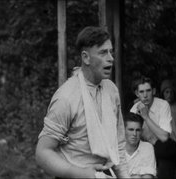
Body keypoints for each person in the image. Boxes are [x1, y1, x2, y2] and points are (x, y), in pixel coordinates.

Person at [35, 26, 130, 178]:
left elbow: (118, 143)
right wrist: (81, 174)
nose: (111, 58)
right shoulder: (66, 97)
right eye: (103, 52)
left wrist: (125, 176)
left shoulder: (111, 90)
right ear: (86, 58)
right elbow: (42, 153)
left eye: (111, 52)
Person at [130, 76, 176, 179]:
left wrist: (146, 117)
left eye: (148, 91)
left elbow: (164, 138)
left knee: (163, 148)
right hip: (147, 148)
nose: (145, 95)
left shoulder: (163, 105)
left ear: (154, 91)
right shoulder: (135, 108)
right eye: (141, 92)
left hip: (166, 148)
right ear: (137, 94)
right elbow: (131, 135)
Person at [124, 112, 156, 178]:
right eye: (131, 129)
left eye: (138, 130)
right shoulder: (115, 149)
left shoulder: (147, 147)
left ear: (141, 131)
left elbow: (148, 176)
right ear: (123, 130)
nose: (134, 134)